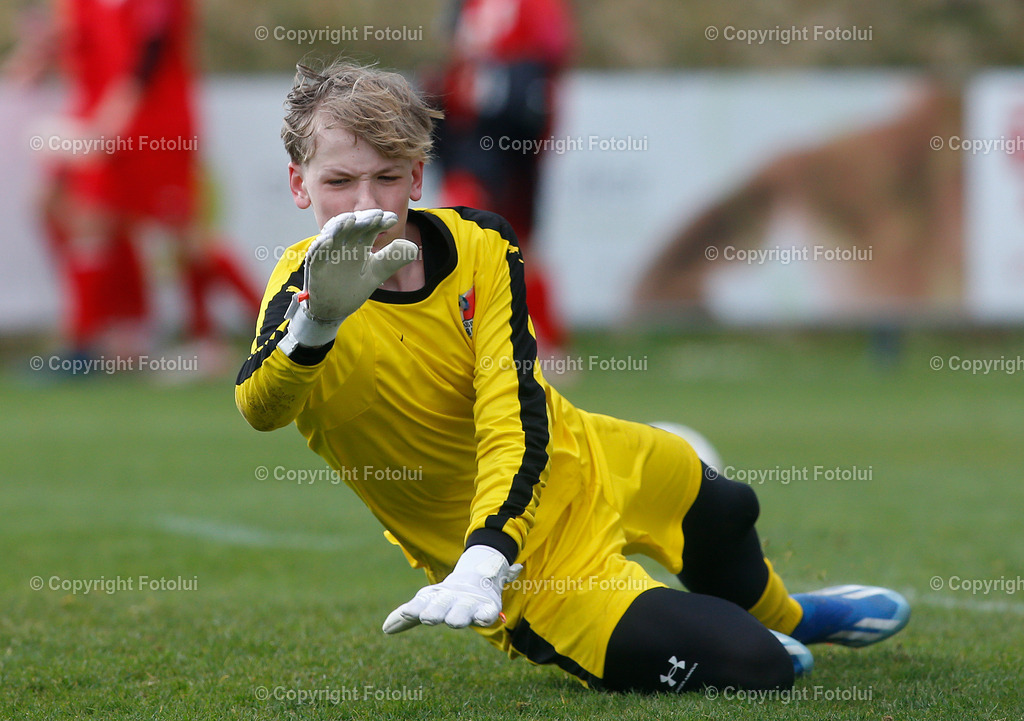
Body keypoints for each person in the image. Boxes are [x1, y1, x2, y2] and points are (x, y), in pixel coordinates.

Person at [235, 57, 909, 693]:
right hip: (531, 575)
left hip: (576, 461)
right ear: (299, 184)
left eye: (386, 177)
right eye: (339, 182)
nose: (367, 204)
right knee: (759, 666)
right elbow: (260, 407)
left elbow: (512, 415)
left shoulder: (481, 243)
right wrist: (318, 323)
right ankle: (758, 639)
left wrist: (485, 554)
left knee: (726, 506)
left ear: (416, 177)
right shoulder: (301, 287)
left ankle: (794, 616)